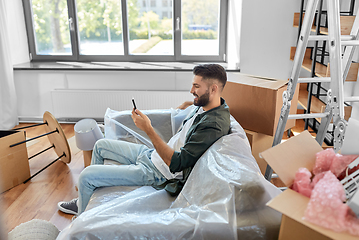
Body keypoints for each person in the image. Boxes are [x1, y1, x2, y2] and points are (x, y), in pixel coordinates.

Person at [58, 64, 231, 215]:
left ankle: (80, 223)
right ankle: (85, 203)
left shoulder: (213, 125)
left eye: (196, 86)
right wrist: (188, 104)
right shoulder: (208, 105)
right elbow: (187, 128)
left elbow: (177, 163)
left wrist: (147, 128)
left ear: (214, 89)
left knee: (86, 176)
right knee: (101, 145)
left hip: (158, 172)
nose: (192, 90)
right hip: (152, 155)